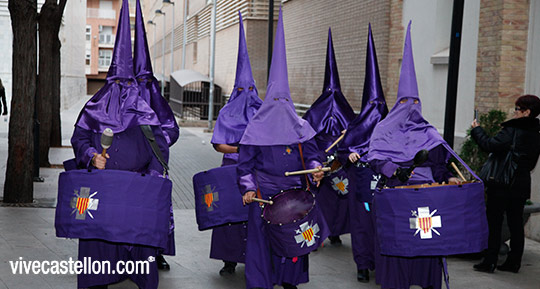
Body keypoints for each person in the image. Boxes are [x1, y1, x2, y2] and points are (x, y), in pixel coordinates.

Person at [72, 1, 169, 288]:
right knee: (99, 242)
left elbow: (158, 147)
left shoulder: (144, 111)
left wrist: (151, 178)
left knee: (138, 242)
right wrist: (91, 155)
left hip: (137, 190)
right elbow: (78, 139)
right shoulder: (93, 108)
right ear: (108, 80)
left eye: (129, 86)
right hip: (102, 189)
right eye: (118, 84)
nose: (123, 92)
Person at [366, 22, 460, 289]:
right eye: (405, 103)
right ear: (397, 104)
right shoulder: (383, 129)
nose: (411, 108)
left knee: (426, 241)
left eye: (415, 103)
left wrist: (450, 178)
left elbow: (440, 165)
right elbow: (374, 159)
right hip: (396, 196)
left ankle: (426, 282)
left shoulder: (429, 132)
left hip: (427, 197)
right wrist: (393, 169)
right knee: (397, 244)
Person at [237, 8, 324, 289]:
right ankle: (260, 283)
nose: (279, 105)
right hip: (264, 195)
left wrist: (314, 169)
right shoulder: (255, 129)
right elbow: (245, 164)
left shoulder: (299, 126)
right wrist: (249, 188)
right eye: (275, 99)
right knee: (261, 245)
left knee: (294, 241)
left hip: (296, 197)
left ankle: (290, 282)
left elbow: (312, 154)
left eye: (284, 99)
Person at [209, 11, 263, 276]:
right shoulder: (226, 113)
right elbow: (219, 145)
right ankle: (227, 259)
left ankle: (252, 256)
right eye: (241, 91)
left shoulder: (262, 112)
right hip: (230, 171)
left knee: (252, 218)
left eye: (249, 90)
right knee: (228, 217)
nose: (246, 96)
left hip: (255, 173)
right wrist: (241, 150)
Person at [337, 23, 388, 283]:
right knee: (361, 228)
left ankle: (382, 263)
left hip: (385, 188)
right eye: (372, 105)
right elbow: (341, 153)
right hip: (360, 190)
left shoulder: (390, 127)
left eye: (380, 105)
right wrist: (349, 157)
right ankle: (362, 265)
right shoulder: (355, 127)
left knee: (383, 227)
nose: (376, 110)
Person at [133, 0, 179, 271]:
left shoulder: (157, 101)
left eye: (145, 82)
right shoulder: (123, 101)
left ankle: (157, 252)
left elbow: (172, 131)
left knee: (157, 211)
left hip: (155, 168)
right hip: (130, 169)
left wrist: (156, 139)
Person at [471, 94, 540, 273]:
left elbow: (489, 145)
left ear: (527, 112)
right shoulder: (535, 132)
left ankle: (490, 261)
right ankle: (513, 262)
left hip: (502, 183)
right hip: (521, 183)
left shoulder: (512, 130)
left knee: (494, 222)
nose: (514, 112)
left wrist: (477, 130)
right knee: (516, 223)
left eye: (517, 109)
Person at [303, 27, 355, 246]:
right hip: (321, 162)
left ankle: (335, 231)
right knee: (321, 200)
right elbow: (306, 135)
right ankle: (321, 231)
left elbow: (356, 134)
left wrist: (349, 133)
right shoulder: (315, 111)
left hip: (341, 164)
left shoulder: (346, 109)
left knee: (341, 200)